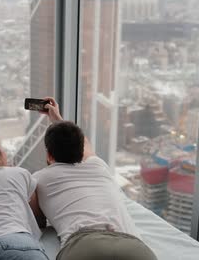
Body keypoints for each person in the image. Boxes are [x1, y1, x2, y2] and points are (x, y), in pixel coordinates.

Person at [32, 97, 157, 260]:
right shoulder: (98, 165)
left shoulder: (38, 179)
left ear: (49, 155)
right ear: (82, 149)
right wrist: (56, 117)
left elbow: (38, 222)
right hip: (135, 247)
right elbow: (86, 146)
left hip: (84, 245)